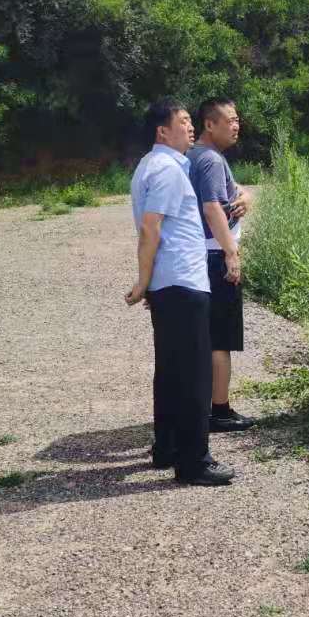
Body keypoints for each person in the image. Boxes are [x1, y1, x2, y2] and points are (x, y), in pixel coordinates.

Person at [125, 97, 235, 486]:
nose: (191, 127)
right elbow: (150, 227)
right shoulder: (168, 170)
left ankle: (168, 447)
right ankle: (193, 462)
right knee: (194, 376)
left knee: (171, 371)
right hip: (182, 282)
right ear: (162, 131)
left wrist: (149, 281)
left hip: (169, 283)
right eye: (184, 121)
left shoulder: (150, 166)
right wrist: (142, 281)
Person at [188, 97, 256, 433]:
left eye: (237, 119)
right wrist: (231, 253)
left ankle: (201, 407)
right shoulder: (211, 159)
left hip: (199, 255)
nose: (236, 125)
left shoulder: (195, 156)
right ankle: (219, 410)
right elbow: (212, 207)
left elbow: (230, 192)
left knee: (204, 337)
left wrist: (245, 196)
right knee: (220, 339)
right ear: (209, 124)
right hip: (215, 256)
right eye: (229, 120)